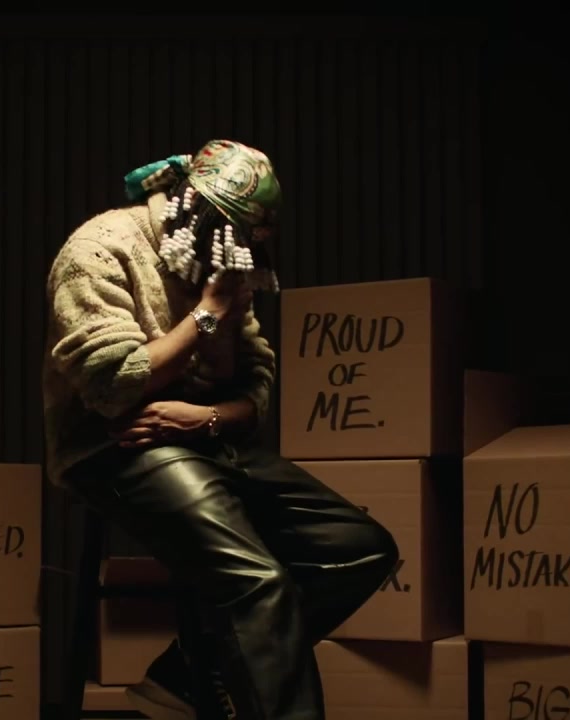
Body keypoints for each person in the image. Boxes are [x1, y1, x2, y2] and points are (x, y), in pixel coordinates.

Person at [42, 139, 398, 720]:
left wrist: (205, 417)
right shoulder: (99, 249)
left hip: (203, 437)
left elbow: (258, 386)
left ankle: (192, 672)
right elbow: (113, 386)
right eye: (235, 234)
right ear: (193, 207)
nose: (241, 251)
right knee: (260, 582)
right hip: (115, 445)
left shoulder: (218, 258)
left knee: (362, 549)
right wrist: (207, 315)